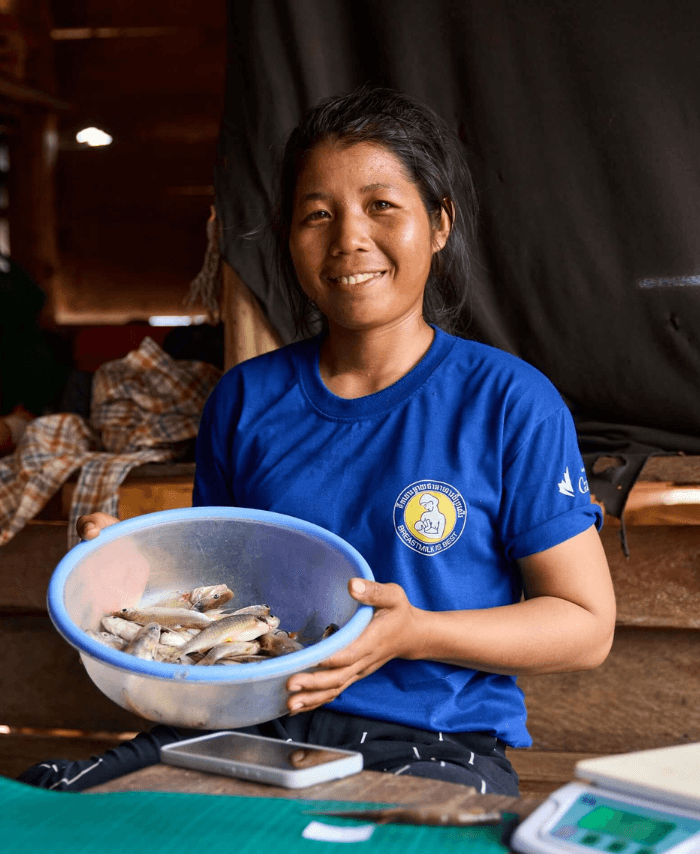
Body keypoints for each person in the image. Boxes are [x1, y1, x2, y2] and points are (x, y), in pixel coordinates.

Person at [20, 86, 615, 796]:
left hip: (431, 739)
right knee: (56, 804)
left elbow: (584, 626)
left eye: (381, 205)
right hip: (245, 728)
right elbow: (231, 598)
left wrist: (414, 632)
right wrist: (123, 574)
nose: (349, 239)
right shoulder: (246, 399)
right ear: (288, 236)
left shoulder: (508, 402)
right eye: (318, 215)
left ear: (440, 223)